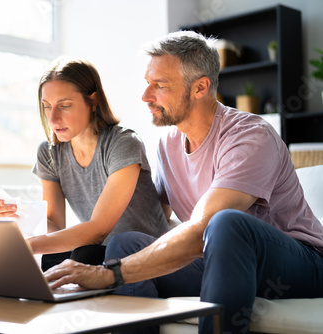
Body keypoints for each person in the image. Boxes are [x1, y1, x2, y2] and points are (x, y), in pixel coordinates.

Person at [44, 31, 323, 334]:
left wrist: (110, 274)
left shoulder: (250, 135)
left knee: (226, 223)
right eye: (147, 82)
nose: (146, 95)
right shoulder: (168, 146)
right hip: (218, 263)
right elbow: (153, 220)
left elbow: (204, 227)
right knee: (127, 244)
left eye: (159, 85)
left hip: (298, 263)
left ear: (200, 87)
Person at [0, 57, 168, 271]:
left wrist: (29, 246)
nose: (53, 119)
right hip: (99, 252)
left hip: (144, 253)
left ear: (92, 101)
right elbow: (54, 224)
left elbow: (98, 229)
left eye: (64, 106)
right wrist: (20, 211)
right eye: (47, 107)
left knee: (82, 255)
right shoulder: (49, 153)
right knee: (49, 259)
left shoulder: (123, 143)